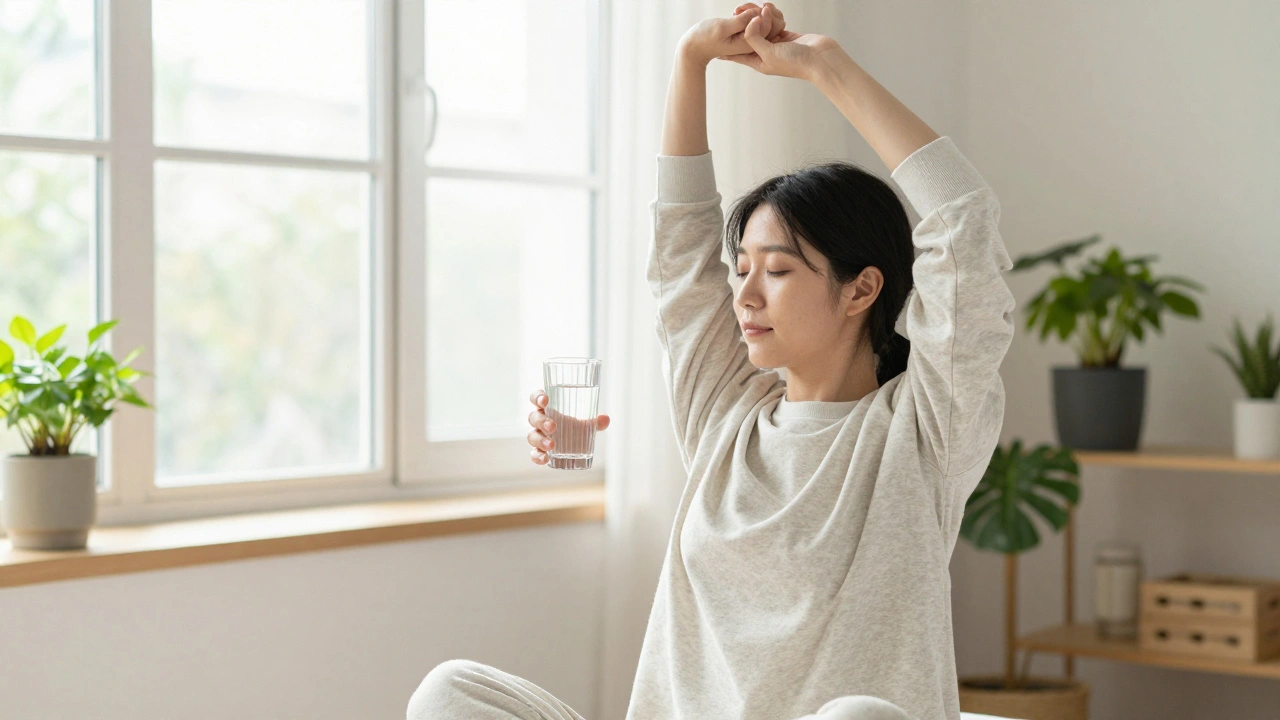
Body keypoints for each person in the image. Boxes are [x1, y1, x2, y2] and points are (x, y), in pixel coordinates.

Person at [410, 4, 1015, 720]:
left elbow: (962, 228)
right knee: (450, 691)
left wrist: (827, 68)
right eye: (741, 269)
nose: (746, 294)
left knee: (856, 718)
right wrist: (690, 63)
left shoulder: (923, 433)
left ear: (862, 288)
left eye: (780, 271)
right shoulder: (726, 413)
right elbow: (681, 254)